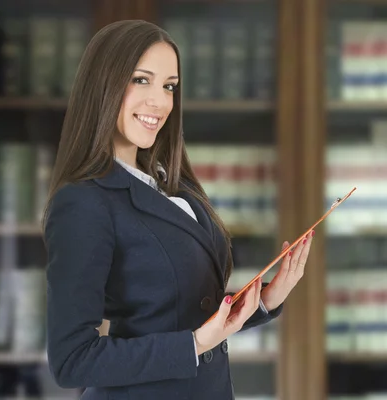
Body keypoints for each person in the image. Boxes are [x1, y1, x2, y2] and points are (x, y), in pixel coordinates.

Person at [42, 19, 313, 399]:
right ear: (103, 85)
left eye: (169, 86)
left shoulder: (172, 185)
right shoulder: (83, 201)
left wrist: (267, 299)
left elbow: (189, 313)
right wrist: (194, 344)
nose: (161, 101)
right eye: (141, 80)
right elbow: (73, 361)